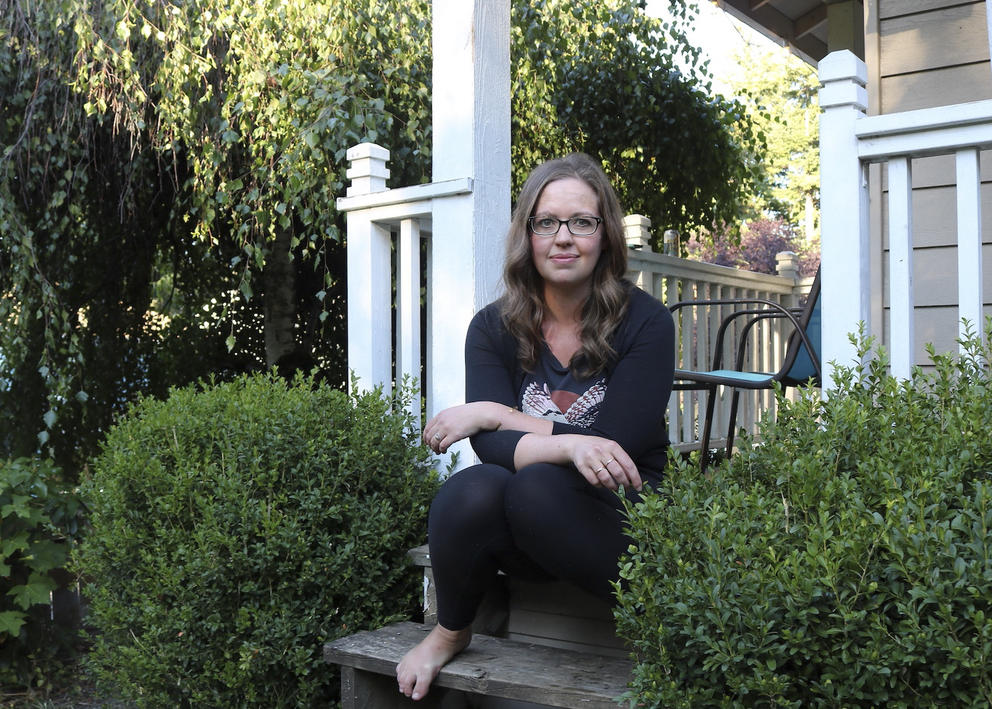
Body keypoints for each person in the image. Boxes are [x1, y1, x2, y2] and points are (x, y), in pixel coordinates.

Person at [396, 153, 675, 701]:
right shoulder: (493, 327)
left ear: (605, 234)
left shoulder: (647, 322)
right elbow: (492, 451)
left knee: (537, 486)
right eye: (547, 222)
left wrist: (496, 413)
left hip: (617, 519)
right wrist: (564, 439)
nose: (564, 238)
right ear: (527, 233)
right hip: (530, 529)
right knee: (468, 490)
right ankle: (452, 630)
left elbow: (615, 446)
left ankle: (661, 629)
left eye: (582, 222)